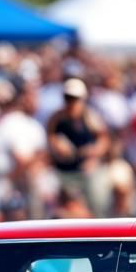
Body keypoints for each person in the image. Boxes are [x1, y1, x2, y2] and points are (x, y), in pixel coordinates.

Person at [46, 78, 109, 214]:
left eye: (75, 98)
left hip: (86, 171)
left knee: (97, 198)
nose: (71, 102)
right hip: (63, 172)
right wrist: (57, 145)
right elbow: (50, 138)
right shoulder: (57, 118)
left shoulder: (90, 117)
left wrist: (93, 153)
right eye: (68, 98)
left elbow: (103, 140)